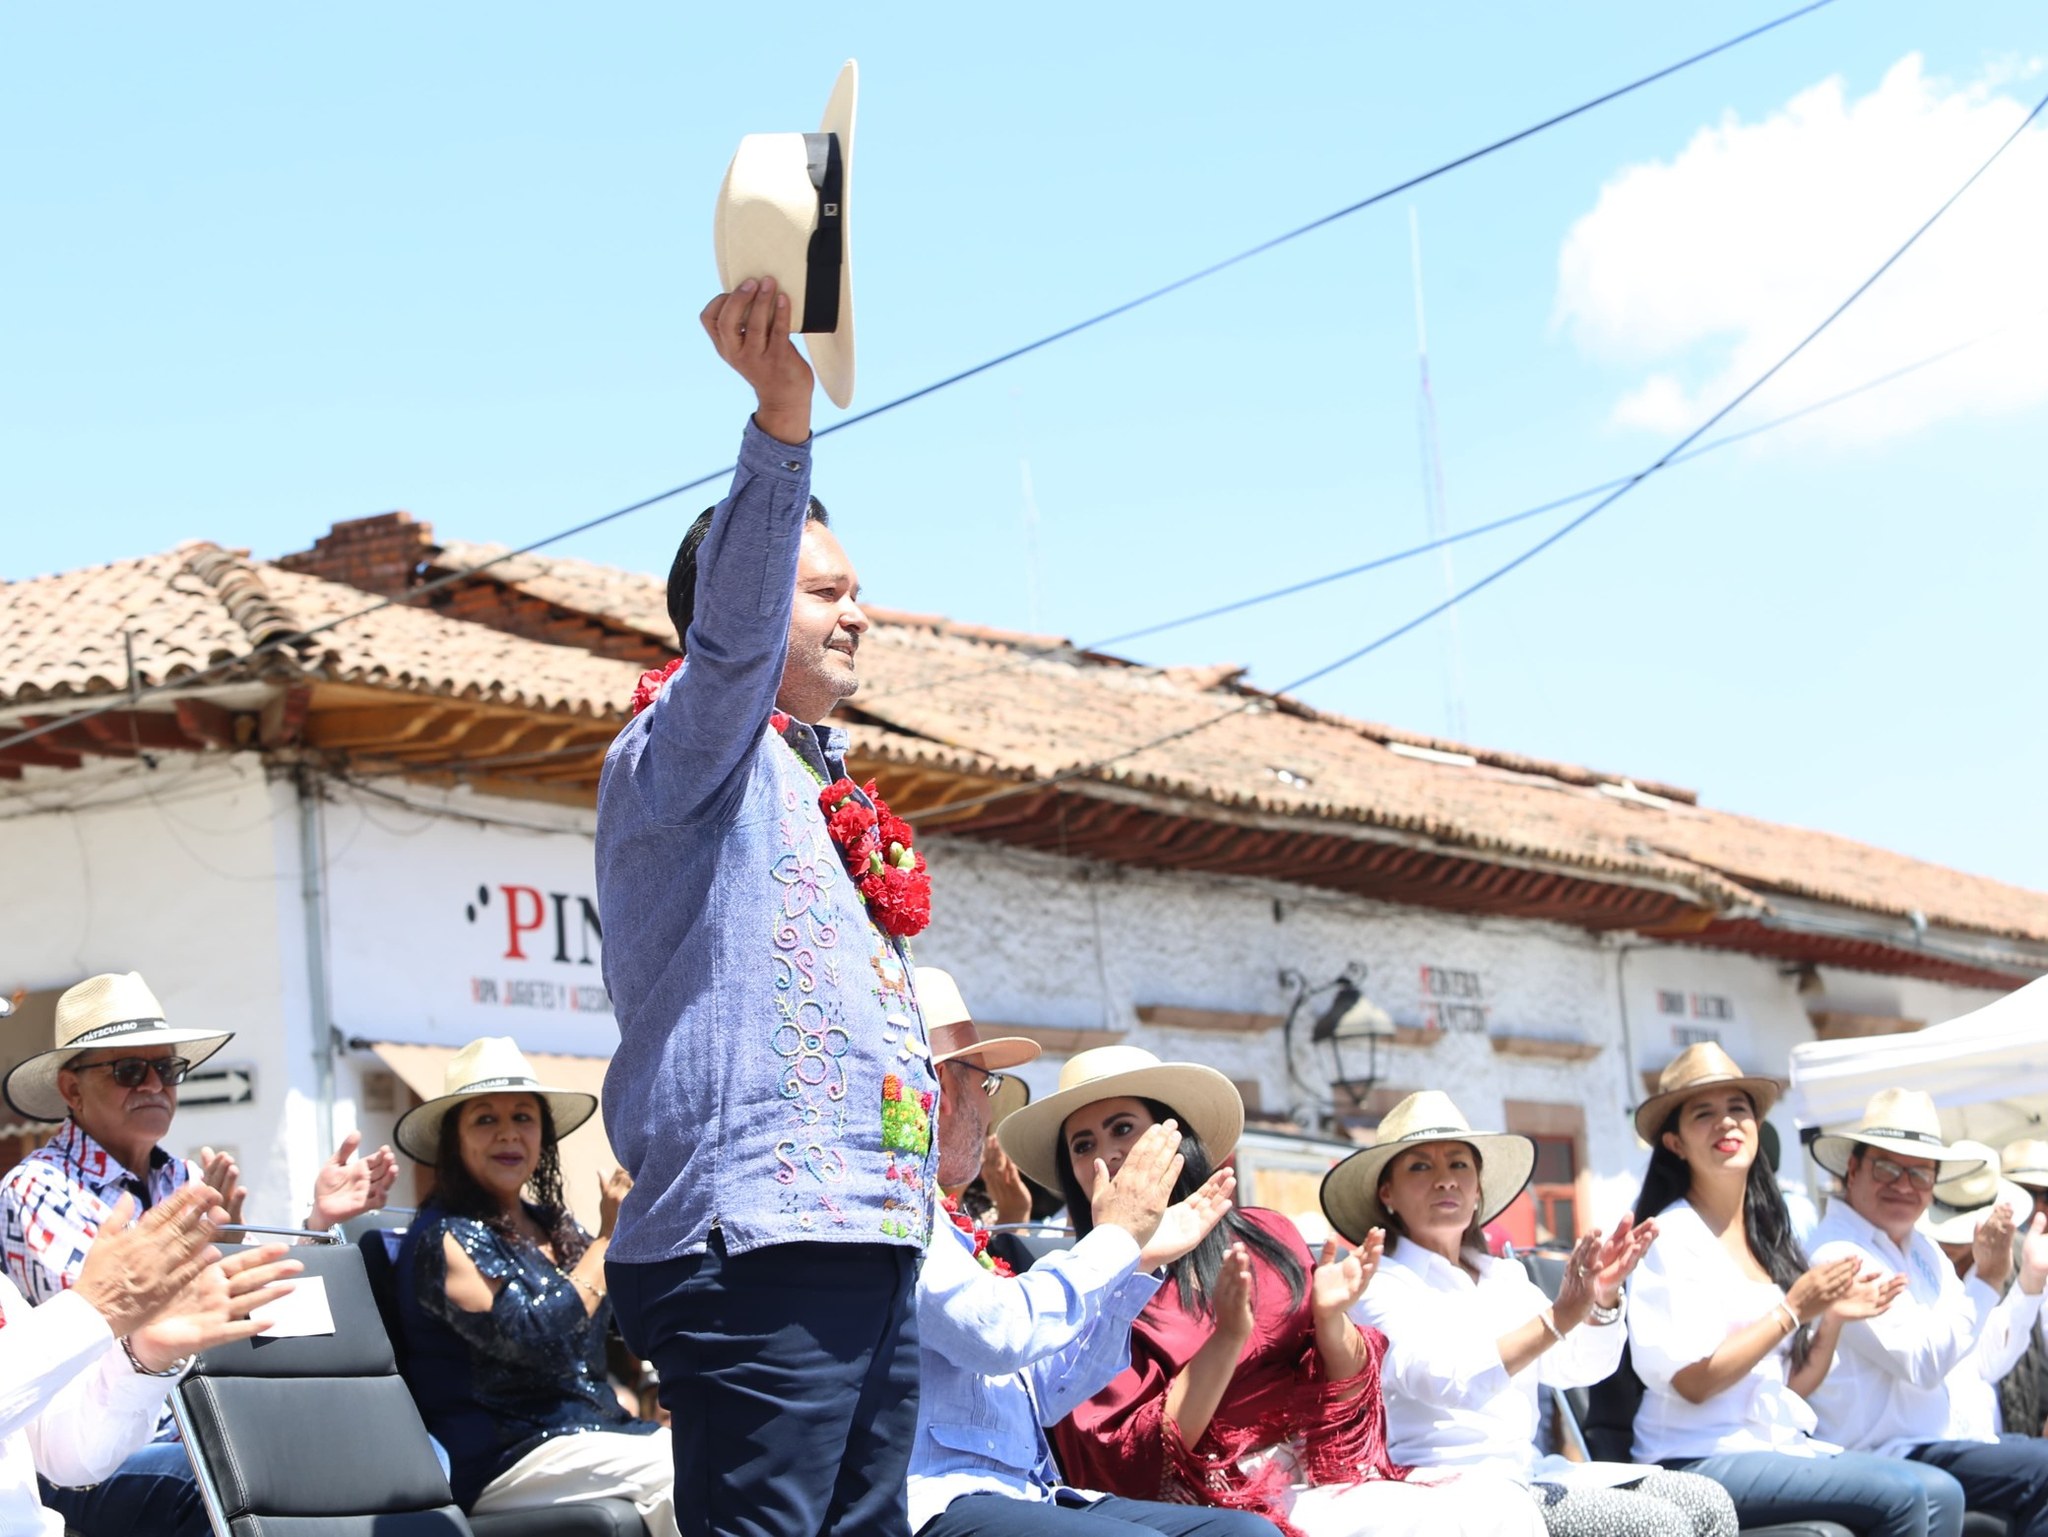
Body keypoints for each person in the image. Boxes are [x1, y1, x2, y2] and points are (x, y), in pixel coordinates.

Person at [596, 81, 938, 1537]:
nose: (859, 615)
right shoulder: (686, 746)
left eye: (857, 589)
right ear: (729, 611)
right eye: (826, 591)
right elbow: (735, 643)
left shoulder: (822, 779)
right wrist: (780, 422)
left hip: (865, 1234)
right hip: (758, 1242)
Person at [1013, 1048, 1543, 1537]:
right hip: (1211, 1508)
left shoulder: (1265, 1234)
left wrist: (1333, 1318)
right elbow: (1136, 1463)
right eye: (1084, 1146)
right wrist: (1227, 1338)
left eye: (1123, 1128)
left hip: (1319, 1481)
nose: (1109, 1154)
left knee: (1488, 1513)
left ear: (1174, 1137)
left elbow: (1344, 1399)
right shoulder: (1080, 1282)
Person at [0, 970, 396, 1537]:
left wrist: (316, 1224)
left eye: (168, 1069)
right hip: (151, 1440)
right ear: (71, 1090)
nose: (155, 1086)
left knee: (406, 1449)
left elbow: (230, 1308)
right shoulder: (35, 1187)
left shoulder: (185, 1178)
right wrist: (183, 1287)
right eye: (130, 1070)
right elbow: (110, 1318)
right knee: (232, 1479)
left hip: (189, 1418)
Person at [909, 976, 1275, 1537]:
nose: (989, 1115)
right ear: (942, 1091)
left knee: (1249, 1535)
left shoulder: (954, 1225)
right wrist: (1119, 1243)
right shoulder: (895, 1208)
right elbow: (997, 1335)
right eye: (987, 1084)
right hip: (942, 1497)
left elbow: (1048, 1392)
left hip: (1028, 1490)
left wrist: (1138, 1258)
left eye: (1125, 1128)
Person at [1327, 1090, 1735, 1537]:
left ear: (1478, 1188)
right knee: (1658, 1525)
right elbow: (1443, 1377)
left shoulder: (1503, 1276)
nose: (1445, 1180)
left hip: (1530, 1475)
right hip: (1449, 1492)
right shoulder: (1379, 1281)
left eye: (1459, 1164)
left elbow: (1578, 1367)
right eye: (1421, 1166)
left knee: (1708, 1501)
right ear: (1387, 1193)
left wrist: (1601, 1298)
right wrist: (1558, 1319)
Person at [1624, 1043, 1965, 1537]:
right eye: (1705, 1113)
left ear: (1757, 1129)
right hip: (1694, 1456)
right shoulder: (1670, 1236)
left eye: (1738, 1110)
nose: (1726, 1123)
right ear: (1675, 1143)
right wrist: (1792, 1309)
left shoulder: (1767, 1236)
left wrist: (1831, 1319)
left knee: (1943, 1491)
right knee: (1905, 1494)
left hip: (1770, 1446)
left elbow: (1789, 1388)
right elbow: (1693, 1383)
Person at [391, 1037, 673, 1535]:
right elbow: (538, 1341)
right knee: (677, 1472)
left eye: (523, 1117)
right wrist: (607, 1238)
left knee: (721, 1450)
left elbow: (624, 1317)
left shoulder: (555, 1226)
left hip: (599, 1432)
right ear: (453, 1140)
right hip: (506, 1454)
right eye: (485, 1119)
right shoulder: (443, 1237)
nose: (508, 1134)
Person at [1803, 1095, 2048, 1535]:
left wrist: (2028, 1280)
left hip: (1938, 1446)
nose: (1904, 1184)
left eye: (1919, 1172)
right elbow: (1923, 1363)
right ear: (1852, 1170)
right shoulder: (1836, 1253)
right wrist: (1988, 1280)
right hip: (1886, 1455)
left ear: (1933, 1184)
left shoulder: (1922, 1249)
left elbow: (1982, 1363)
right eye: (1887, 1168)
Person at [1919, 1146, 2048, 1445]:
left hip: (2005, 1438)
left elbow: (1989, 1357)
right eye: (2032, 1192)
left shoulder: (2022, 1257)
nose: (2041, 1206)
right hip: (1952, 1446)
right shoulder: (1916, 1259)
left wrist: (2028, 1279)